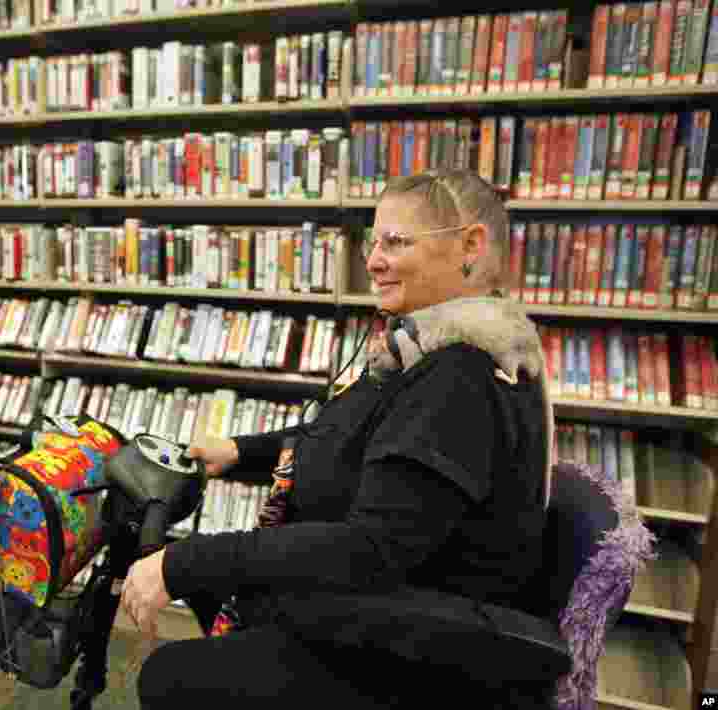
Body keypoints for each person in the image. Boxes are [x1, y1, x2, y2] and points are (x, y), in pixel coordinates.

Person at [119, 169, 555, 708]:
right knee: (219, 583)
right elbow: (346, 439)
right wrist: (241, 452)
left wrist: (184, 563)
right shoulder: (431, 351)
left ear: (470, 245)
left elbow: (369, 551)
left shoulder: (458, 378)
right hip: (381, 616)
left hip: (412, 657)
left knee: (171, 676)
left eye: (396, 242)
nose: (372, 261)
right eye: (374, 242)